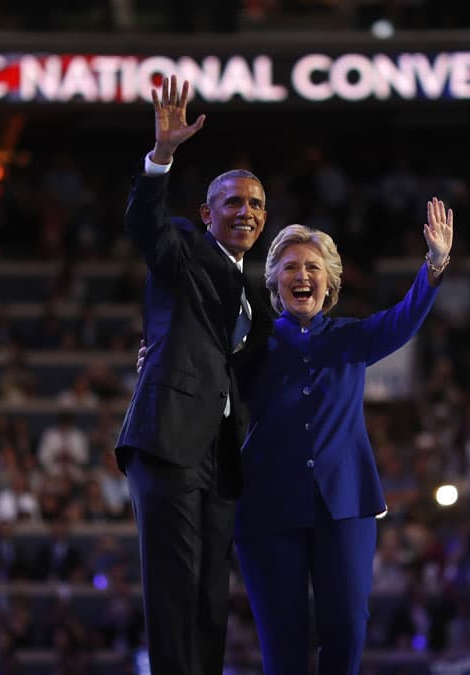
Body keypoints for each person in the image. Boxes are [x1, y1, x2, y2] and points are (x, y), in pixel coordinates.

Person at [139, 199, 453, 673]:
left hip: (345, 504)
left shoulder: (352, 337)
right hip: (267, 507)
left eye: (311, 267)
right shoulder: (251, 343)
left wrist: (434, 262)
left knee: (347, 627)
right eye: (289, 267)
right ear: (274, 282)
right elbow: (200, 368)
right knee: (282, 640)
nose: (301, 275)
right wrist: (157, 361)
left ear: (329, 282)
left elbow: (405, 317)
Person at [115, 75, 271, 675]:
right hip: (169, 439)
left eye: (256, 204)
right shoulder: (181, 246)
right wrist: (162, 156)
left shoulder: (257, 295)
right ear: (208, 212)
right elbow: (143, 225)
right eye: (233, 201)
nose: (246, 212)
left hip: (222, 457)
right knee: (174, 590)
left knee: (210, 598)